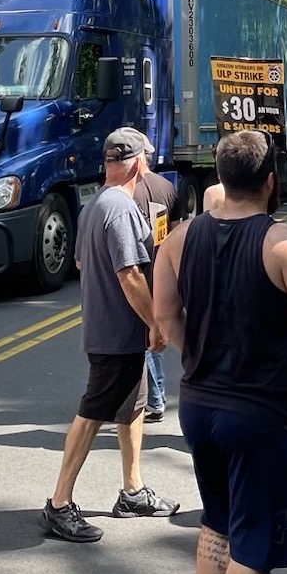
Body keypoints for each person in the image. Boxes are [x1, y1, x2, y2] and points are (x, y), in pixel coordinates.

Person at [153, 129, 287, 574]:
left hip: (199, 406)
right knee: (253, 542)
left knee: (218, 520)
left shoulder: (180, 239)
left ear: (220, 177)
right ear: (270, 180)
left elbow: (165, 316)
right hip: (260, 414)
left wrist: (197, 359)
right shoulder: (284, 244)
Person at [39, 128, 181, 543]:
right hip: (114, 334)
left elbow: (84, 264)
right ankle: (59, 504)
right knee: (91, 415)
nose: (150, 164)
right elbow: (130, 274)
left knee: (132, 408)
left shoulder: (94, 205)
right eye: (147, 158)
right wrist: (156, 321)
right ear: (137, 162)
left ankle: (132, 491)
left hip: (114, 330)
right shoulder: (119, 207)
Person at [125, 128, 186, 424]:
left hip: (137, 269)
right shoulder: (166, 186)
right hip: (161, 270)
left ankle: (154, 398)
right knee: (155, 335)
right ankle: (153, 395)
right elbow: (176, 233)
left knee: (143, 336)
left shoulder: (125, 191)